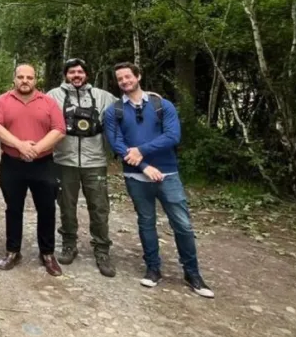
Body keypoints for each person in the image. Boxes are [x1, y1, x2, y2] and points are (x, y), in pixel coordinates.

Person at [103, 62, 214, 298]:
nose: (124, 81)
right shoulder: (114, 111)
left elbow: (173, 136)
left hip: (168, 173)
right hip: (136, 175)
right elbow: (117, 144)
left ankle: (192, 272)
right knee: (146, 221)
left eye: (128, 76)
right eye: (120, 79)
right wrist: (143, 166)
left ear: (138, 76)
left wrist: (142, 151)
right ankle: (153, 268)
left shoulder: (162, 105)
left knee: (182, 224)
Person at [0, 64, 67, 276]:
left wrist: (36, 149)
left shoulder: (48, 102)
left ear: (36, 80)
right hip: (12, 163)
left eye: (29, 77)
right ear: (14, 79)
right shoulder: (2, 101)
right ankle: (13, 251)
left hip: (43, 163)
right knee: (13, 208)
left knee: (47, 209)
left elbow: (59, 129)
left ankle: (48, 253)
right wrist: (20, 145)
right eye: (21, 77)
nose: (25, 81)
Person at [45, 58, 118, 277]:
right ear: (65, 75)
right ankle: (69, 243)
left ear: (87, 74)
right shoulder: (53, 96)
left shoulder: (103, 97)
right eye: (71, 72)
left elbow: (127, 107)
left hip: (94, 161)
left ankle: (102, 250)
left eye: (80, 72)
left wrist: (151, 97)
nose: (76, 75)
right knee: (66, 205)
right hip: (64, 160)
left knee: (99, 206)